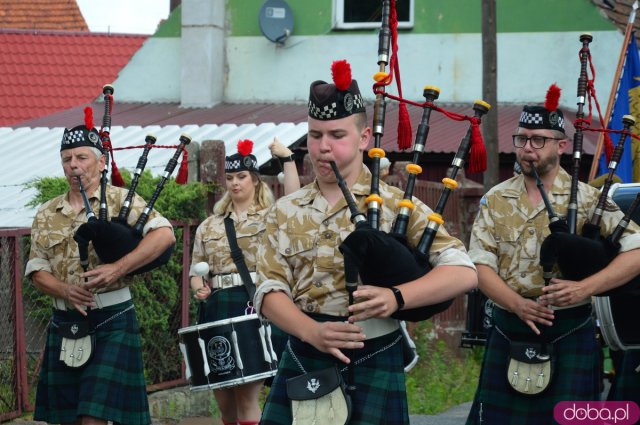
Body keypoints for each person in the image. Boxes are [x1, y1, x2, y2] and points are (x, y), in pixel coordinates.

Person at [254, 60, 478, 425]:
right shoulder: (284, 210)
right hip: (305, 352)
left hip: (376, 351)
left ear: (363, 139)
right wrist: (312, 331)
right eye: (315, 135)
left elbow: (463, 272)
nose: (323, 147)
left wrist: (396, 297)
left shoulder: (395, 205)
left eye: (337, 136)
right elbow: (268, 288)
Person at [466, 87, 640, 424]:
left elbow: (636, 251)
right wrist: (516, 304)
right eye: (522, 139)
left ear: (561, 146)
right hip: (508, 326)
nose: (527, 148)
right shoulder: (495, 198)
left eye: (537, 140)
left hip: (570, 328)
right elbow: (479, 264)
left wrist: (585, 288)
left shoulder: (589, 200)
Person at [25, 120, 176, 425]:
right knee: (69, 418)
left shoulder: (122, 201)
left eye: (82, 158)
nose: (73, 166)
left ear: (101, 162)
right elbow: (36, 269)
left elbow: (165, 235)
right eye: (67, 159)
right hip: (65, 321)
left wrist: (118, 268)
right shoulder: (46, 213)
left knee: (92, 418)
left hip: (112, 318)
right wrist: (65, 290)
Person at [189, 139, 298, 425]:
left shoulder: (270, 218)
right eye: (229, 178)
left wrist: (287, 160)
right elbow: (196, 270)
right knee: (224, 398)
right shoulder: (209, 225)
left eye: (241, 177)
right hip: (216, 308)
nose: (234, 183)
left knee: (247, 394)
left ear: (255, 180)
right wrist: (198, 286)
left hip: (252, 305)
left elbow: (294, 203)